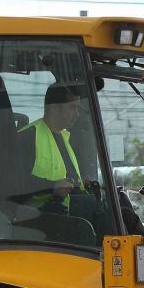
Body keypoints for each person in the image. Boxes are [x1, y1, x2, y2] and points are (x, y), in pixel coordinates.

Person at [18, 83, 86, 211]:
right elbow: (15, 181)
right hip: (40, 216)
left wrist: (85, 185)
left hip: (69, 211)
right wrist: (52, 186)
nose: (77, 114)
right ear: (54, 108)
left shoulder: (66, 138)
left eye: (78, 108)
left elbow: (71, 178)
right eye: (72, 108)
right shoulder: (27, 137)